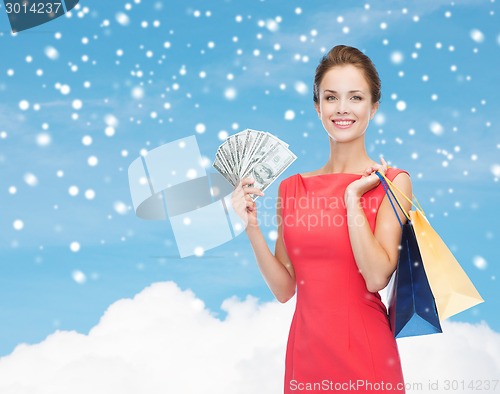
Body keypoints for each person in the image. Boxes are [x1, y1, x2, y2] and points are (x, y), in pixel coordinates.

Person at [233, 45, 411, 393]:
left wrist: (352, 199)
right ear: (318, 107)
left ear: (373, 107)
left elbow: (376, 277)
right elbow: (285, 289)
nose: (342, 108)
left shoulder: (392, 182)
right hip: (305, 358)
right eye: (331, 97)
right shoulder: (292, 188)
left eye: (355, 97)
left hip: (367, 358)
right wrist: (251, 226)